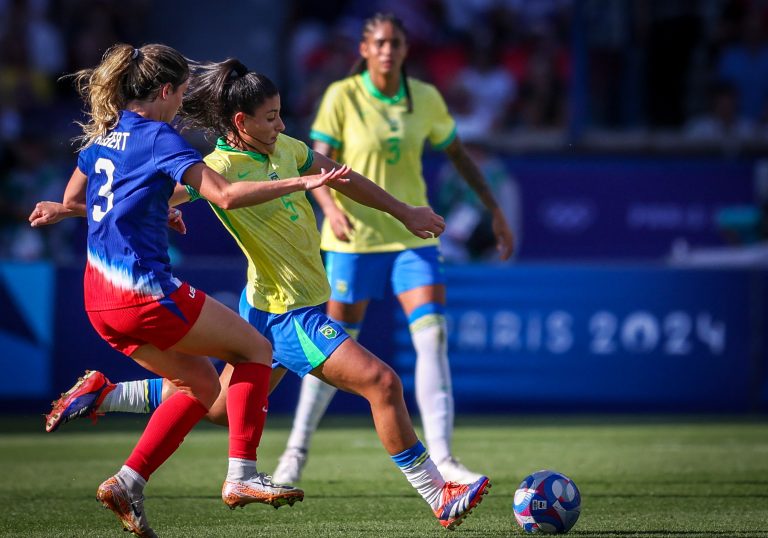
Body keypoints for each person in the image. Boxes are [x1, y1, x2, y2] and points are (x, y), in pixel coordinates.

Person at [40, 58, 491, 531]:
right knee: (382, 383)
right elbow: (143, 197)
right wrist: (77, 212)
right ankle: (439, 493)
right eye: (271, 117)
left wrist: (404, 212)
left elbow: (343, 176)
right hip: (287, 312)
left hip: (262, 303)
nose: (280, 124)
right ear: (242, 122)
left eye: (280, 114)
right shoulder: (217, 164)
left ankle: (105, 396)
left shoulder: (288, 148)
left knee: (214, 403)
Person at [27, 43, 356, 537]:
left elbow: (78, 199)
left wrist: (148, 207)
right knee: (256, 349)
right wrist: (300, 182)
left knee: (201, 387)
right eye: (181, 94)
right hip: (144, 294)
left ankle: (127, 480)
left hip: (98, 300)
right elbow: (223, 194)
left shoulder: (102, 140)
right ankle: (242, 475)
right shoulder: (160, 138)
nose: (182, 104)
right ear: (164, 91)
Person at [272, 12, 515, 486]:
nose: (388, 50)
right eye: (380, 43)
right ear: (364, 49)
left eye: (396, 43)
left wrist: (495, 209)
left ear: (406, 50)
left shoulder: (424, 98)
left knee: (433, 337)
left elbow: (459, 155)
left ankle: (444, 458)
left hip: (411, 236)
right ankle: (295, 451)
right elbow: (313, 163)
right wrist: (331, 209)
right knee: (332, 348)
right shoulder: (341, 97)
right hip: (353, 239)